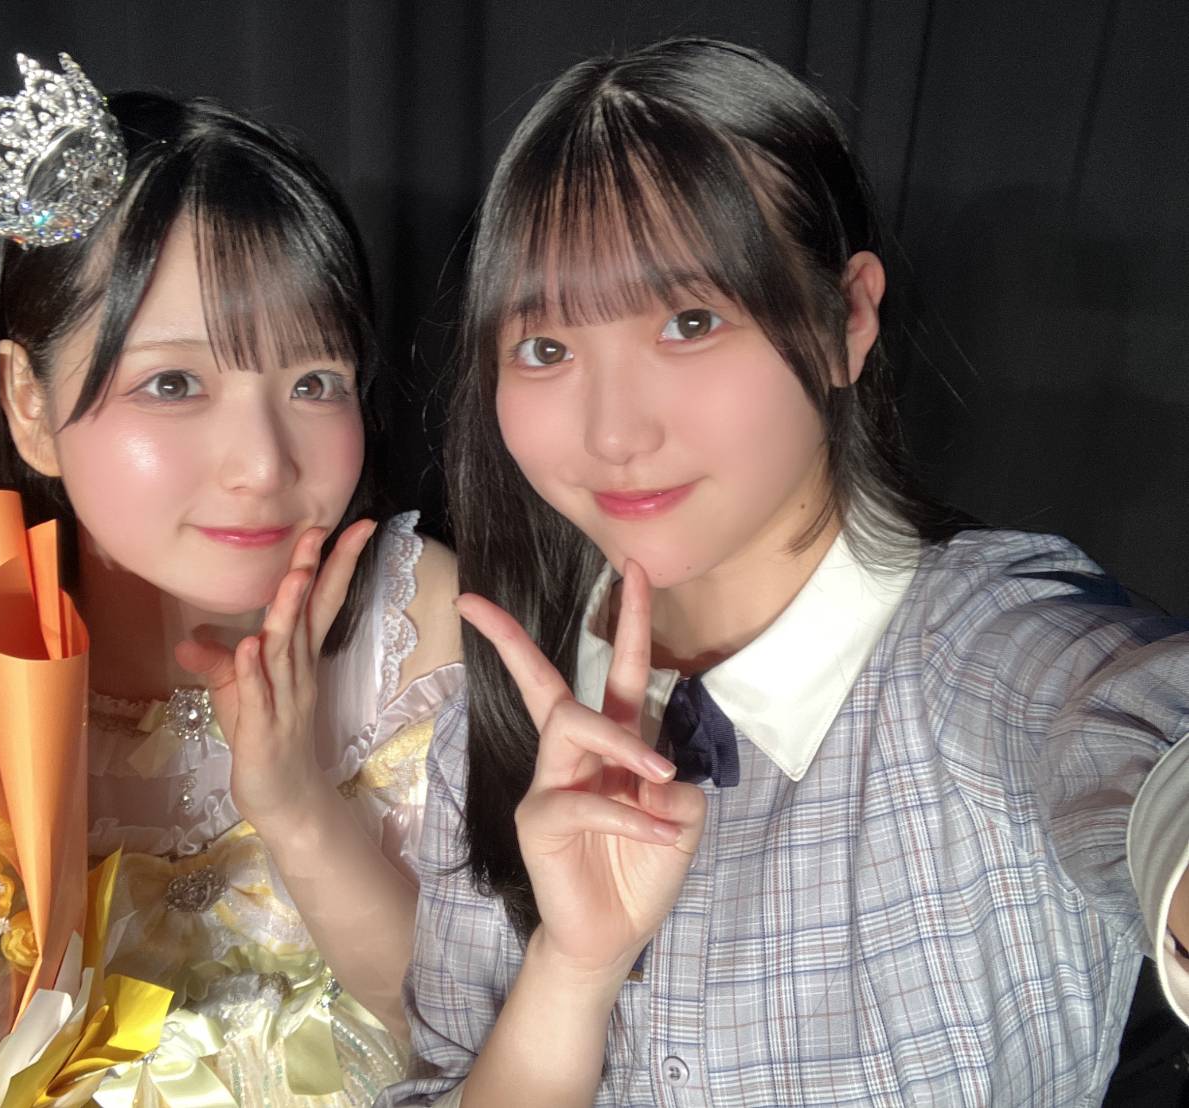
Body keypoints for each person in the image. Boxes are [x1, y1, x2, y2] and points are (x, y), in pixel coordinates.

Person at [382, 37, 1189, 1107]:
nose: (612, 434)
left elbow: (1139, 731)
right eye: (545, 349)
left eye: (690, 322)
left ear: (847, 318)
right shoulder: (491, 726)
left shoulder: (983, 651)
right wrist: (570, 973)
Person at [0, 54, 462, 1104]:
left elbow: (489, 1036)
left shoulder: (429, 633)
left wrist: (299, 807)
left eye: (313, 381)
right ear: (29, 403)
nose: (264, 464)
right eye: (174, 382)